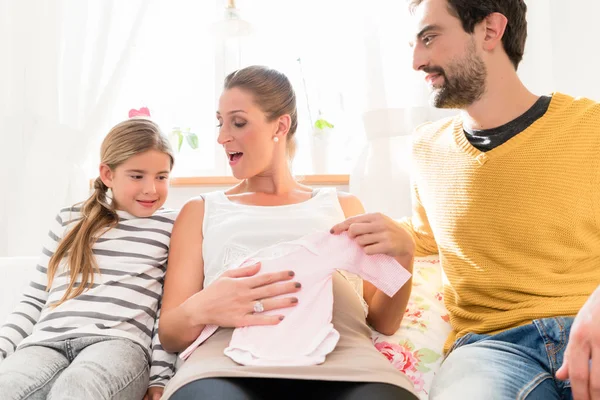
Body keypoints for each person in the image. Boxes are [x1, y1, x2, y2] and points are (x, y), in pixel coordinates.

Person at [331, 0, 600, 399]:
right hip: (492, 350)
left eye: (430, 37)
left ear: (490, 31)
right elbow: (425, 235)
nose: (416, 61)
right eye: (413, 44)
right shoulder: (427, 148)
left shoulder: (590, 127)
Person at [158, 65, 417, 400]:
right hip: (227, 364)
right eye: (220, 123)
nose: (222, 136)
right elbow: (170, 334)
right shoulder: (201, 210)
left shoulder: (344, 206)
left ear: (280, 125)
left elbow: (385, 321)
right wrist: (203, 307)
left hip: (344, 362)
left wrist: (406, 255)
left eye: (238, 122)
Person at [0, 118, 178, 400]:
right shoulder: (71, 219)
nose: (151, 189)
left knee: (77, 390)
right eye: (137, 176)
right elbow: (35, 298)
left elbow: (167, 311)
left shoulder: (172, 226)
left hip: (119, 343)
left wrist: (159, 377)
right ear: (107, 174)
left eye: (161, 176)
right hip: (46, 342)